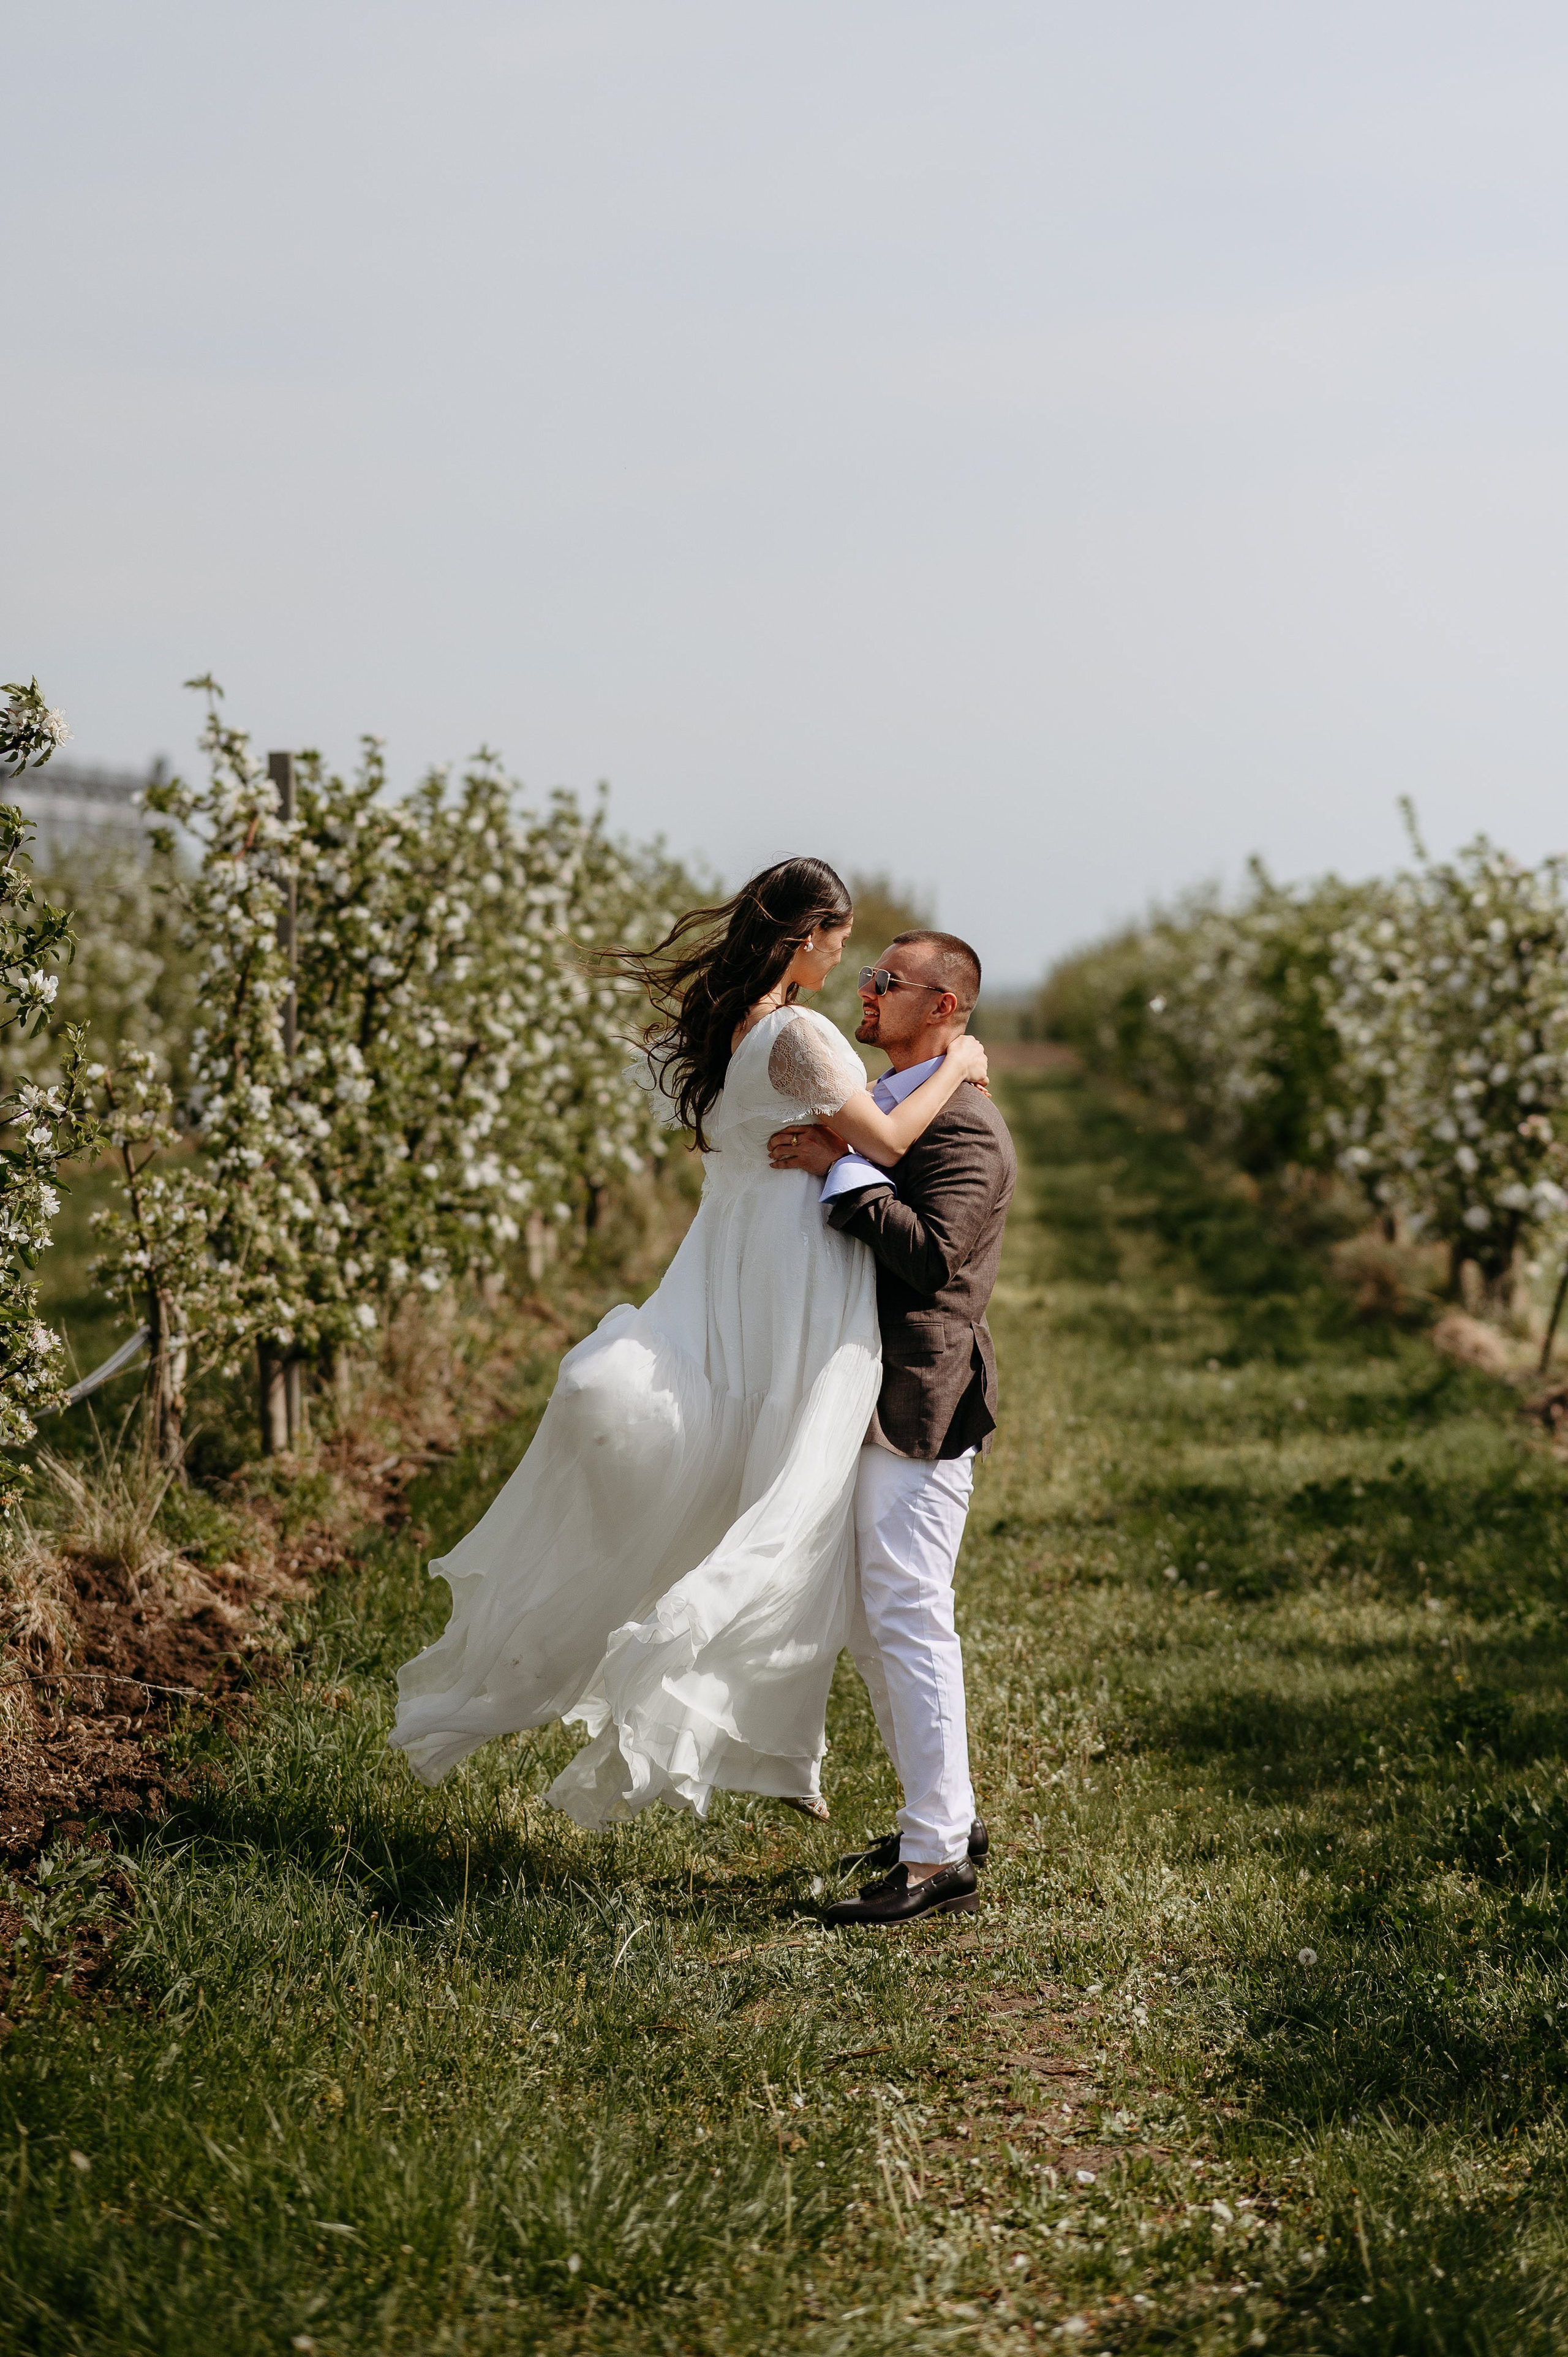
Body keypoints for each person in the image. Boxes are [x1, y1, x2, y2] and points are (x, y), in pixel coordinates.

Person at [388, 859, 989, 1832]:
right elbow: (882, 1142)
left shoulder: (728, 1031)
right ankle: (715, 1677)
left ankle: (873, 1774)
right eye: (846, 946)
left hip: (731, 1272)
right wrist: (957, 1067)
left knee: (768, 1487)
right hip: (797, 1285)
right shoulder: (798, 1031)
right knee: (793, 1496)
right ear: (808, 938)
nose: (852, 967)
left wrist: (827, 1145)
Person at [766, 931, 1016, 1926]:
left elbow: (934, 1260)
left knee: (908, 1613)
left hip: (921, 1399)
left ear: (945, 1008)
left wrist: (844, 1174)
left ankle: (935, 1860)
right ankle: (942, 1816)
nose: (866, 992)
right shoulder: (906, 1107)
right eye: (866, 977)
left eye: (888, 984)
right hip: (869, 1392)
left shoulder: (965, 1129)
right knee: (880, 1620)